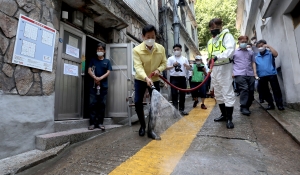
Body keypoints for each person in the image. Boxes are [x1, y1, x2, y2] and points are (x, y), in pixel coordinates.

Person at [133, 24, 167, 139]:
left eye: (153, 36)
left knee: (155, 104)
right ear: (143, 37)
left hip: (155, 79)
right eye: (148, 37)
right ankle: (142, 125)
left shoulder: (161, 48)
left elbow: (164, 63)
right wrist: (146, 78)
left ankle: (151, 129)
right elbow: (138, 67)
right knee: (138, 102)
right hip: (141, 79)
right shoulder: (136, 50)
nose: (150, 39)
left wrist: (159, 69)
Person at [207, 18, 236, 129]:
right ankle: (223, 115)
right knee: (218, 93)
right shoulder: (210, 41)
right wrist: (209, 60)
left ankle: (229, 118)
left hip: (224, 67)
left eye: (215, 27)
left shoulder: (226, 36)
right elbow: (210, 54)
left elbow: (230, 50)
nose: (213, 29)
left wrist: (217, 57)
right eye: (212, 28)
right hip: (214, 69)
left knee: (227, 91)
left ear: (220, 26)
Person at [88, 43, 112, 130]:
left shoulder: (107, 61)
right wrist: (95, 78)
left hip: (103, 87)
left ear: (104, 51)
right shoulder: (93, 60)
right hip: (93, 86)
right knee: (92, 104)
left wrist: (100, 78)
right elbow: (89, 70)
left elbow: (108, 72)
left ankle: (100, 123)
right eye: (98, 49)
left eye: (101, 49)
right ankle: (92, 123)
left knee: (101, 105)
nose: (99, 51)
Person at [255, 40, 285, 110]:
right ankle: (270, 104)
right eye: (258, 46)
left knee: (276, 90)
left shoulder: (270, 53)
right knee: (265, 91)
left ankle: (279, 104)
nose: (260, 47)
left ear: (265, 45)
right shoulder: (256, 57)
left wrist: (269, 46)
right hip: (261, 75)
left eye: (262, 45)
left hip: (272, 74)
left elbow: (276, 54)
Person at [232, 36, 258, 116]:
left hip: (250, 74)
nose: (244, 43)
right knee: (244, 89)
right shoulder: (234, 52)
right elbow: (231, 63)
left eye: (245, 41)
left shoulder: (250, 52)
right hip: (239, 73)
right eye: (242, 41)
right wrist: (232, 72)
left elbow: (253, 62)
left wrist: (255, 73)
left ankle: (247, 105)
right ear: (238, 42)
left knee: (251, 91)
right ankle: (244, 107)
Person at [166, 44, 191, 115]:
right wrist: (173, 65)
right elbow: (166, 68)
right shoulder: (170, 59)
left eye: (178, 49)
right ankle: (175, 111)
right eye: (175, 50)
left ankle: (182, 109)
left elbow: (189, 68)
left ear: (181, 50)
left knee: (182, 94)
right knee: (174, 94)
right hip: (173, 78)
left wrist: (187, 66)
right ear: (173, 51)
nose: (176, 51)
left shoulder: (184, 59)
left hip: (182, 78)